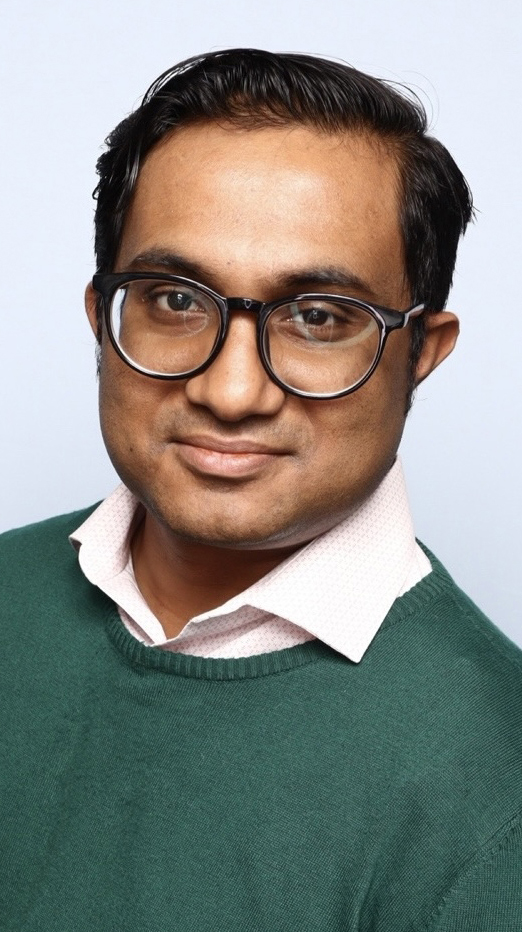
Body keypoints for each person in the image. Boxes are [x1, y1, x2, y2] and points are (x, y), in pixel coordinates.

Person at [1, 48, 521, 931]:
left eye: (319, 316)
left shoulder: (492, 792)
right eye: (174, 298)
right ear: (101, 315)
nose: (232, 391)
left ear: (422, 354)